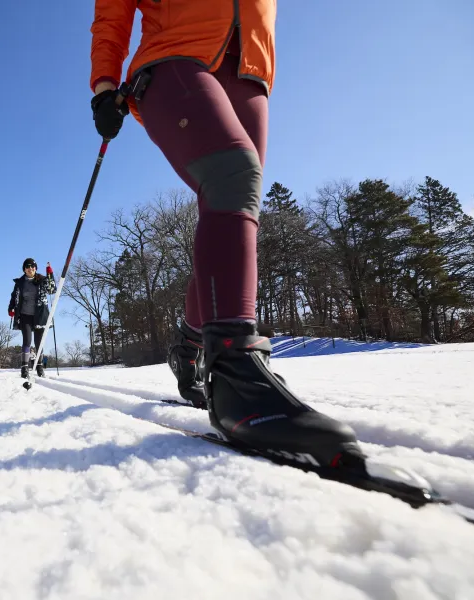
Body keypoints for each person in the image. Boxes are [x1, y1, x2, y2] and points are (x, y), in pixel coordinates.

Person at [89, 2, 362, 466]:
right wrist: (104, 85)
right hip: (175, 55)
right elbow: (112, 11)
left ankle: (192, 345)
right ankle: (236, 382)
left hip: (251, 68)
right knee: (233, 176)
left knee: (233, 212)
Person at [8, 258, 56, 378]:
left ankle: (39, 366)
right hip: (25, 315)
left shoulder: (42, 280)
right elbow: (14, 297)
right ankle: (24, 367)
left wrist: (50, 275)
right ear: (24, 269)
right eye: (28, 267)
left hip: (40, 315)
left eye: (33, 266)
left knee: (39, 342)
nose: (30, 269)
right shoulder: (20, 283)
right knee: (27, 340)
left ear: (36, 268)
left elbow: (52, 290)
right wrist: (11, 308)